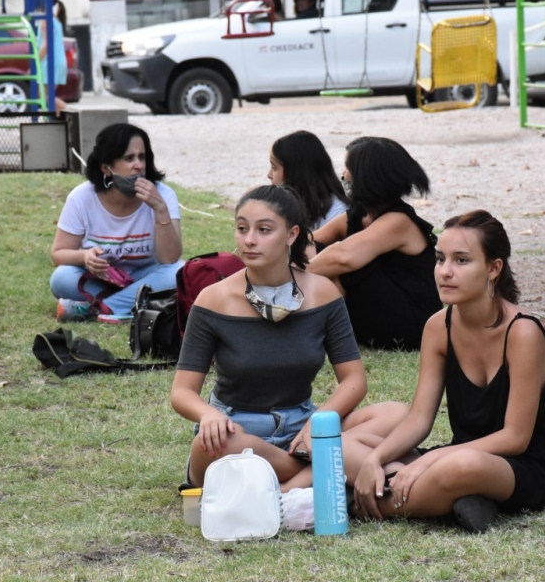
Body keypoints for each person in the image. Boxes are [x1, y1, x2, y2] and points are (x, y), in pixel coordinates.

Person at [172, 184, 400, 489]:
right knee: (214, 444)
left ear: (291, 235)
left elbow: (354, 381)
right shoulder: (213, 300)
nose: (249, 240)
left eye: (264, 230)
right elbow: (182, 392)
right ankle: (320, 472)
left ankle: (286, 485)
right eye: (242, 228)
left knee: (396, 415)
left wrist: (316, 425)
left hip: (302, 425)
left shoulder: (323, 293)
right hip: (236, 429)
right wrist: (209, 415)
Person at [350, 210, 545, 533]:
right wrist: (374, 459)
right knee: (350, 444)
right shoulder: (438, 327)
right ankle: (459, 499)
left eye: (461, 261)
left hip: (516, 467)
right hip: (456, 456)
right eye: (440, 259)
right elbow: (420, 419)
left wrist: (426, 461)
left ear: (494, 268)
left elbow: (515, 438)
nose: (444, 272)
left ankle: (358, 505)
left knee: (461, 467)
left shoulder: (523, 333)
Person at [308, 136, 440, 351]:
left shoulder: (399, 221)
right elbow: (309, 243)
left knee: (344, 264)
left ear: (367, 177)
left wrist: (282, 278)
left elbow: (343, 258)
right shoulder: (358, 216)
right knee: (315, 250)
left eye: (348, 168)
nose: (343, 175)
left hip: (409, 324)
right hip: (375, 315)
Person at [50, 123, 183, 322]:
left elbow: (170, 259)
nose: (138, 165)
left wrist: (160, 210)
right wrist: (85, 256)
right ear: (106, 168)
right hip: (101, 279)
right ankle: (129, 304)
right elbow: (58, 253)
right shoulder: (82, 197)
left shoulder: (163, 195)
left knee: (179, 274)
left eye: (142, 157)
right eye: (129, 158)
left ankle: (102, 308)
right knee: (61, 279)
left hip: (145, 277)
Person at [268, 130, 348, 231]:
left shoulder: (335, 211)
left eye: (274, 167)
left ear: (296, 172)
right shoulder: (289, 205)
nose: (269, 175)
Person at [36, 0, 68, 114]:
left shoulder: (46, 20)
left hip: (50, 62)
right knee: (46, 96)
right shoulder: (54, 18)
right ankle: (61, 118)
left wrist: (35, 63)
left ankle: (74, 113)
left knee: (45, 96)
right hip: (56, 61)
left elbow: (46, 44)